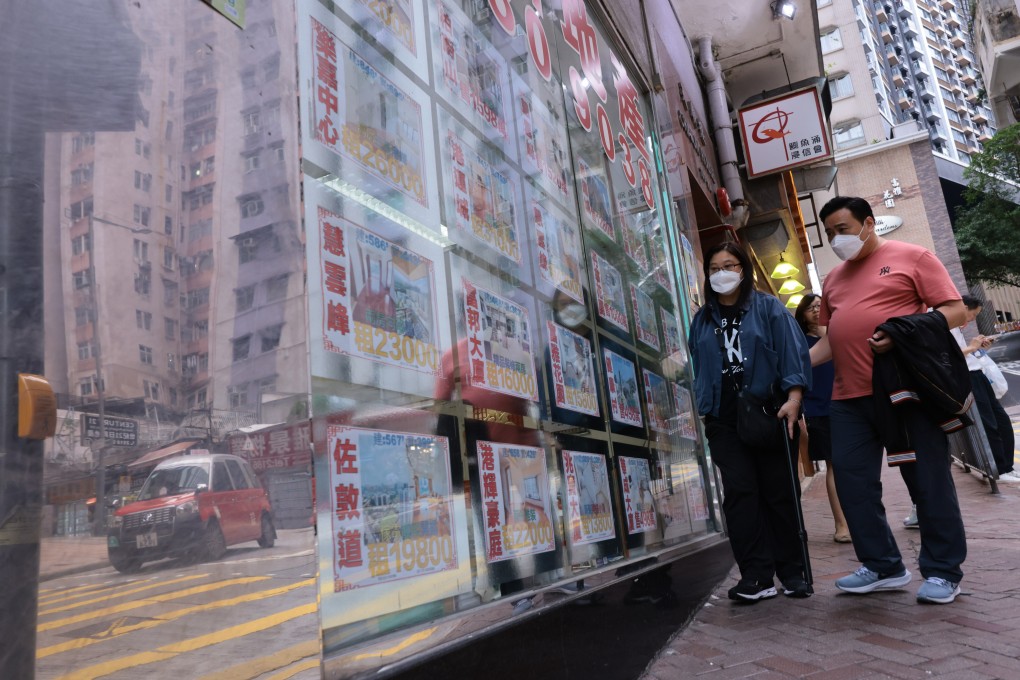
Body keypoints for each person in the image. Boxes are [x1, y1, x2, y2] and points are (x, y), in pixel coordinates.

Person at [810, 196, 968, 605]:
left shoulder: (913, 256)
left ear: (868, 223)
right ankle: (883, 566)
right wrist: (791, 368)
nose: (835, 239)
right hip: (847, 397)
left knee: (928, 482)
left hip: (905, 393)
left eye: (842, 229)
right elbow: (831, 338)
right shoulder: (833, 279)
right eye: (829, 233)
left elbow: (954, 311)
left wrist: (901, 330)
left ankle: (943, 571)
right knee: (852, 482)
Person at [689, 242, 813, 602]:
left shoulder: (768, 306)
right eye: (714, 268)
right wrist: (704, 407)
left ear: (743, 269)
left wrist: (794, 398)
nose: (721, 273)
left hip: (770, 413)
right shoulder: (701, 319)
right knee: (741, 494)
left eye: (729, 265)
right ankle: (756, 576)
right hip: (723, 420)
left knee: (779, 493)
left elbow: (793, 351)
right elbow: (700, 366)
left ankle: (793, 572)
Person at [794, 294, 850, 543]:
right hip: (819, 409)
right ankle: (841, 524)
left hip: (850, 403)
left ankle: (860, 520)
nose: (816, 310)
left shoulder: (839, 335)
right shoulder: (799, 342)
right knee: (834, 464)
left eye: (820, 305)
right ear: (802, 315)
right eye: (810, 308)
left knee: (856, 465)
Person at [953, 295, 1020, 483]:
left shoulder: (956, 327)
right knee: (990, 423)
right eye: (973, 315)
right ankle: (1000, 469)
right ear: (964, 308)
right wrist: (972, 347)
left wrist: (975, 347)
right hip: (968, 378)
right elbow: (948, 356)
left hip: (977, 375)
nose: (972, 319)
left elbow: (960, 353)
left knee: (1001, 420)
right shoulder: (946, 327)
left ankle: (1006, 467)